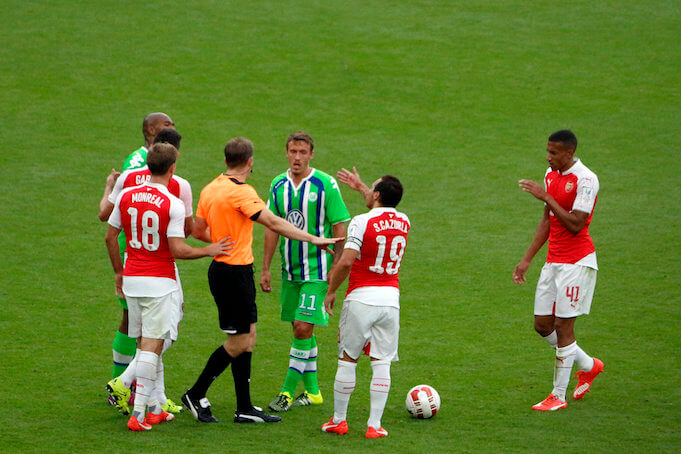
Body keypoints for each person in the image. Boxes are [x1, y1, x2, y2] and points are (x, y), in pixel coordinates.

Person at [182, 137, 343, 424]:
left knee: (249, 338)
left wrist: (217, 242)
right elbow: (274, 222)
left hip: (230, 272)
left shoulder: (211, 188)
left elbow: (197, 229)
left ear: (226, 160)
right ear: (250, 162)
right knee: (239, 341)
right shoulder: (242, 193)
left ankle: (244, 407)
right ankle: (196, 393)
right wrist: (314, 238)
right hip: (233, 274)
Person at [105, 143, 231, 431]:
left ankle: (153, 407)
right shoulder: (171, 203)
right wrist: (210, 249)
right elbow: (179, 249)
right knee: (153, 345)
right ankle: (138, 415)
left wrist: (118, 272)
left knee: (145, 342)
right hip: (159, 282)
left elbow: (110, 238)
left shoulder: (126, 195)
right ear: (172, 168)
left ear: (148, 165)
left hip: (132, 278)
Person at [513, 129, 604, 411]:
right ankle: (589, 365)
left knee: (565, 327)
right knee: (542, 325)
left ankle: (558, 396)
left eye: (554, 153)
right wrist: (527, 259)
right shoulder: (551, 175)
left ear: (569, 153)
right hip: (553, 262)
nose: (548, 157)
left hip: (577, 263)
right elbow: (548, 220)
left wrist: (545, 197)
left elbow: (576, 224)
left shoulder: (586, 180)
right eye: (547, 151)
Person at [102, 128, 191, 415]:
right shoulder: (180, 186)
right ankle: (125, 381)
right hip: (162, 270)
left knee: (140, 330)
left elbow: (105, 216)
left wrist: (118, 271)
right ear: (174, 158)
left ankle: (155, 402)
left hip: (130, 266)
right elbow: (185, 233)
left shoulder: (127, 180)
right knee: (163, 333)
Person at [261, 132, 350, 412]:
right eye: (292, 151)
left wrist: (335, 267)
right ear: (286, 153)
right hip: (290, 271)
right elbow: (272, 226)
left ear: (311, 154)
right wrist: (265, 267)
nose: (297, 157)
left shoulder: (326, 184)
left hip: (318, 271)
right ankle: (313, 393)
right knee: (299, 331)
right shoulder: (277, 184)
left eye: (302, 152)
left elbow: (339, 227)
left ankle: (286, 392)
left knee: (302, 328)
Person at [320, 169, 410, 439]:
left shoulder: (360, 221)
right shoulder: (405, 221)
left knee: (348, 360)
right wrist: (362, 187)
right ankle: (374, 425)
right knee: (382, 362)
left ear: (378, 195)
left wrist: (331, 290)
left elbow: (347, 261)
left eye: (371, 188)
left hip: (361, 297)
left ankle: (339, 421)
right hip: (390, 301)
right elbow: (382, 213)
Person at [98, 113, 175, 389]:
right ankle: (124, 383)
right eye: (167, 125)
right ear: (151, 130)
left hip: (146, 248)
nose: (173, 128)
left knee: (143, 322)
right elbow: (109, 213)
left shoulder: (154, 158)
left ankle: (136, 386)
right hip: (136, 248)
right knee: (136, 320)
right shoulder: (137, 163)